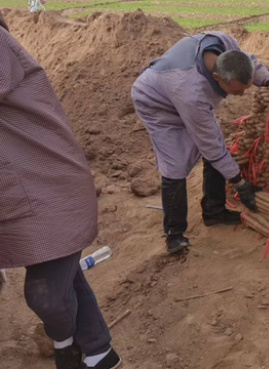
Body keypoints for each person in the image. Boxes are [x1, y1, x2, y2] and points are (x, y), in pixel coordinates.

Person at [0, 12, 121, 369]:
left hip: (46, 188)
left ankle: (68, 345)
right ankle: (99, 353)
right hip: (23, 189)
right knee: (65, 275)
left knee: (47, 294)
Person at [131, 31, 269, 254]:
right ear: (218, 78)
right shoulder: (193, 93)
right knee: (176, 165)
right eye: (237, 91)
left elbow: (249, 61)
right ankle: (174, 235)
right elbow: (211, 146)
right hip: (155, 102)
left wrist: (268, 80)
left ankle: (214, 212)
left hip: (175, 88)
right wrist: (240, 184)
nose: (242, 94)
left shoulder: (225, 43)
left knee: (215, 147)